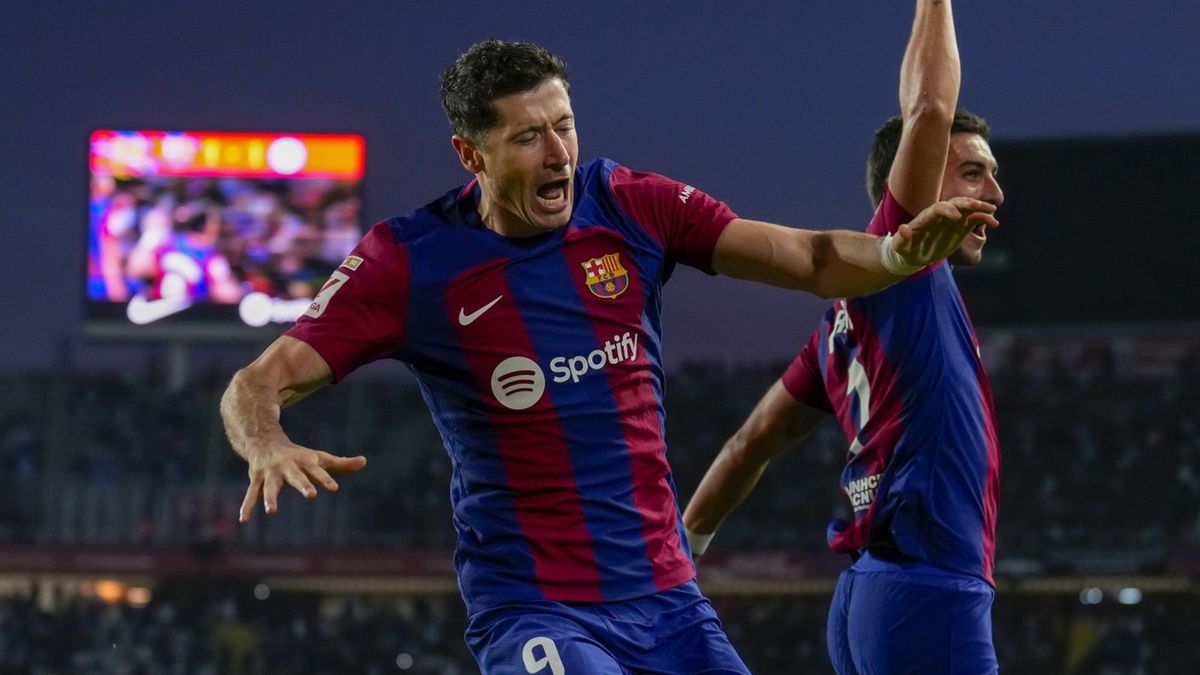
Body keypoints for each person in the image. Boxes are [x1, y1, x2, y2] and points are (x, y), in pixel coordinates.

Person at [220, 39, 996, 674]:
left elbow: (813, 257)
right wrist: (267, 439)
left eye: (564, 124)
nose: (558, 152)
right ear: (471, 153)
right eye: (528, 136)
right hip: (537, 608)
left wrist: (895, 255)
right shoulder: (408, 260)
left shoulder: (627, 204)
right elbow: (256, 383)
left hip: (668, 600)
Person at [683, 1, 1005, 672]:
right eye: (973, 170)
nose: (995, 190)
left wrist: (684, 548)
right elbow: (929, 110)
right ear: (916, 180)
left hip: (867, 597)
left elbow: (752, 441)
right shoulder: (906, 266)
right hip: (928, 590)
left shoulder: (841, 324)